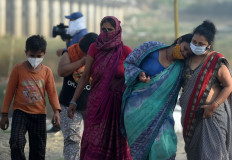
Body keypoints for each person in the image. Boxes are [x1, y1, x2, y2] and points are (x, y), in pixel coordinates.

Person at [68, 16, 132, 160]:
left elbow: (135, 75)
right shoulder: (94, 48)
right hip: (96, 103)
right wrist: (73, 101)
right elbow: (85, 76)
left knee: (118, 142)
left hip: (117, 105)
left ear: (118, 30)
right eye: (104, 29)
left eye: (110, 29)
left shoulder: (125, 51)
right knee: (93, 140)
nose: (107, 32)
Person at [121, 33, 193, 160]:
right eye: (185, 48)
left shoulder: (182, 67)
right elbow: (129, 63)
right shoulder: (150, 48)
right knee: (138, 153)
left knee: (164, 149)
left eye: (189, 54)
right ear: (179, 40)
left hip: (162, 115)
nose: (185, 54)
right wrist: (139, 73)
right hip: (136, 113)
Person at [0, 35, 61, 160]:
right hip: (20, 113)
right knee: (16, 143)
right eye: (32, 55)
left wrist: (56, 111)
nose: (35, 59)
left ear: (44, 54)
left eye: (39, 56)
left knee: (38, 149)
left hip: (39, 115)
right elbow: (9, 92)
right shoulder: (18, 69)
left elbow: (52, 93)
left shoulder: (47, 72)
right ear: (26, 52)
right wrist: (4, 114)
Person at [179, 20, 232, 160]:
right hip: (191, 116)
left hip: (212, 115)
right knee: (195, 154)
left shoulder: (216, 61)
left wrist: (213, 106)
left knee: (214, 155)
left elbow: (228, 85)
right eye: (194, 42)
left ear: (209, 45)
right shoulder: (186, 59)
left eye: (200, 44)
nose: (196, 46)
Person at [58, 32, 98, 160]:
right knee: (73, 140)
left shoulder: (102, 57)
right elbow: (61, 71)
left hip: (92, 107)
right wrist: (81, 61)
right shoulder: (70, 53)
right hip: (68, 105)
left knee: (92, 142)